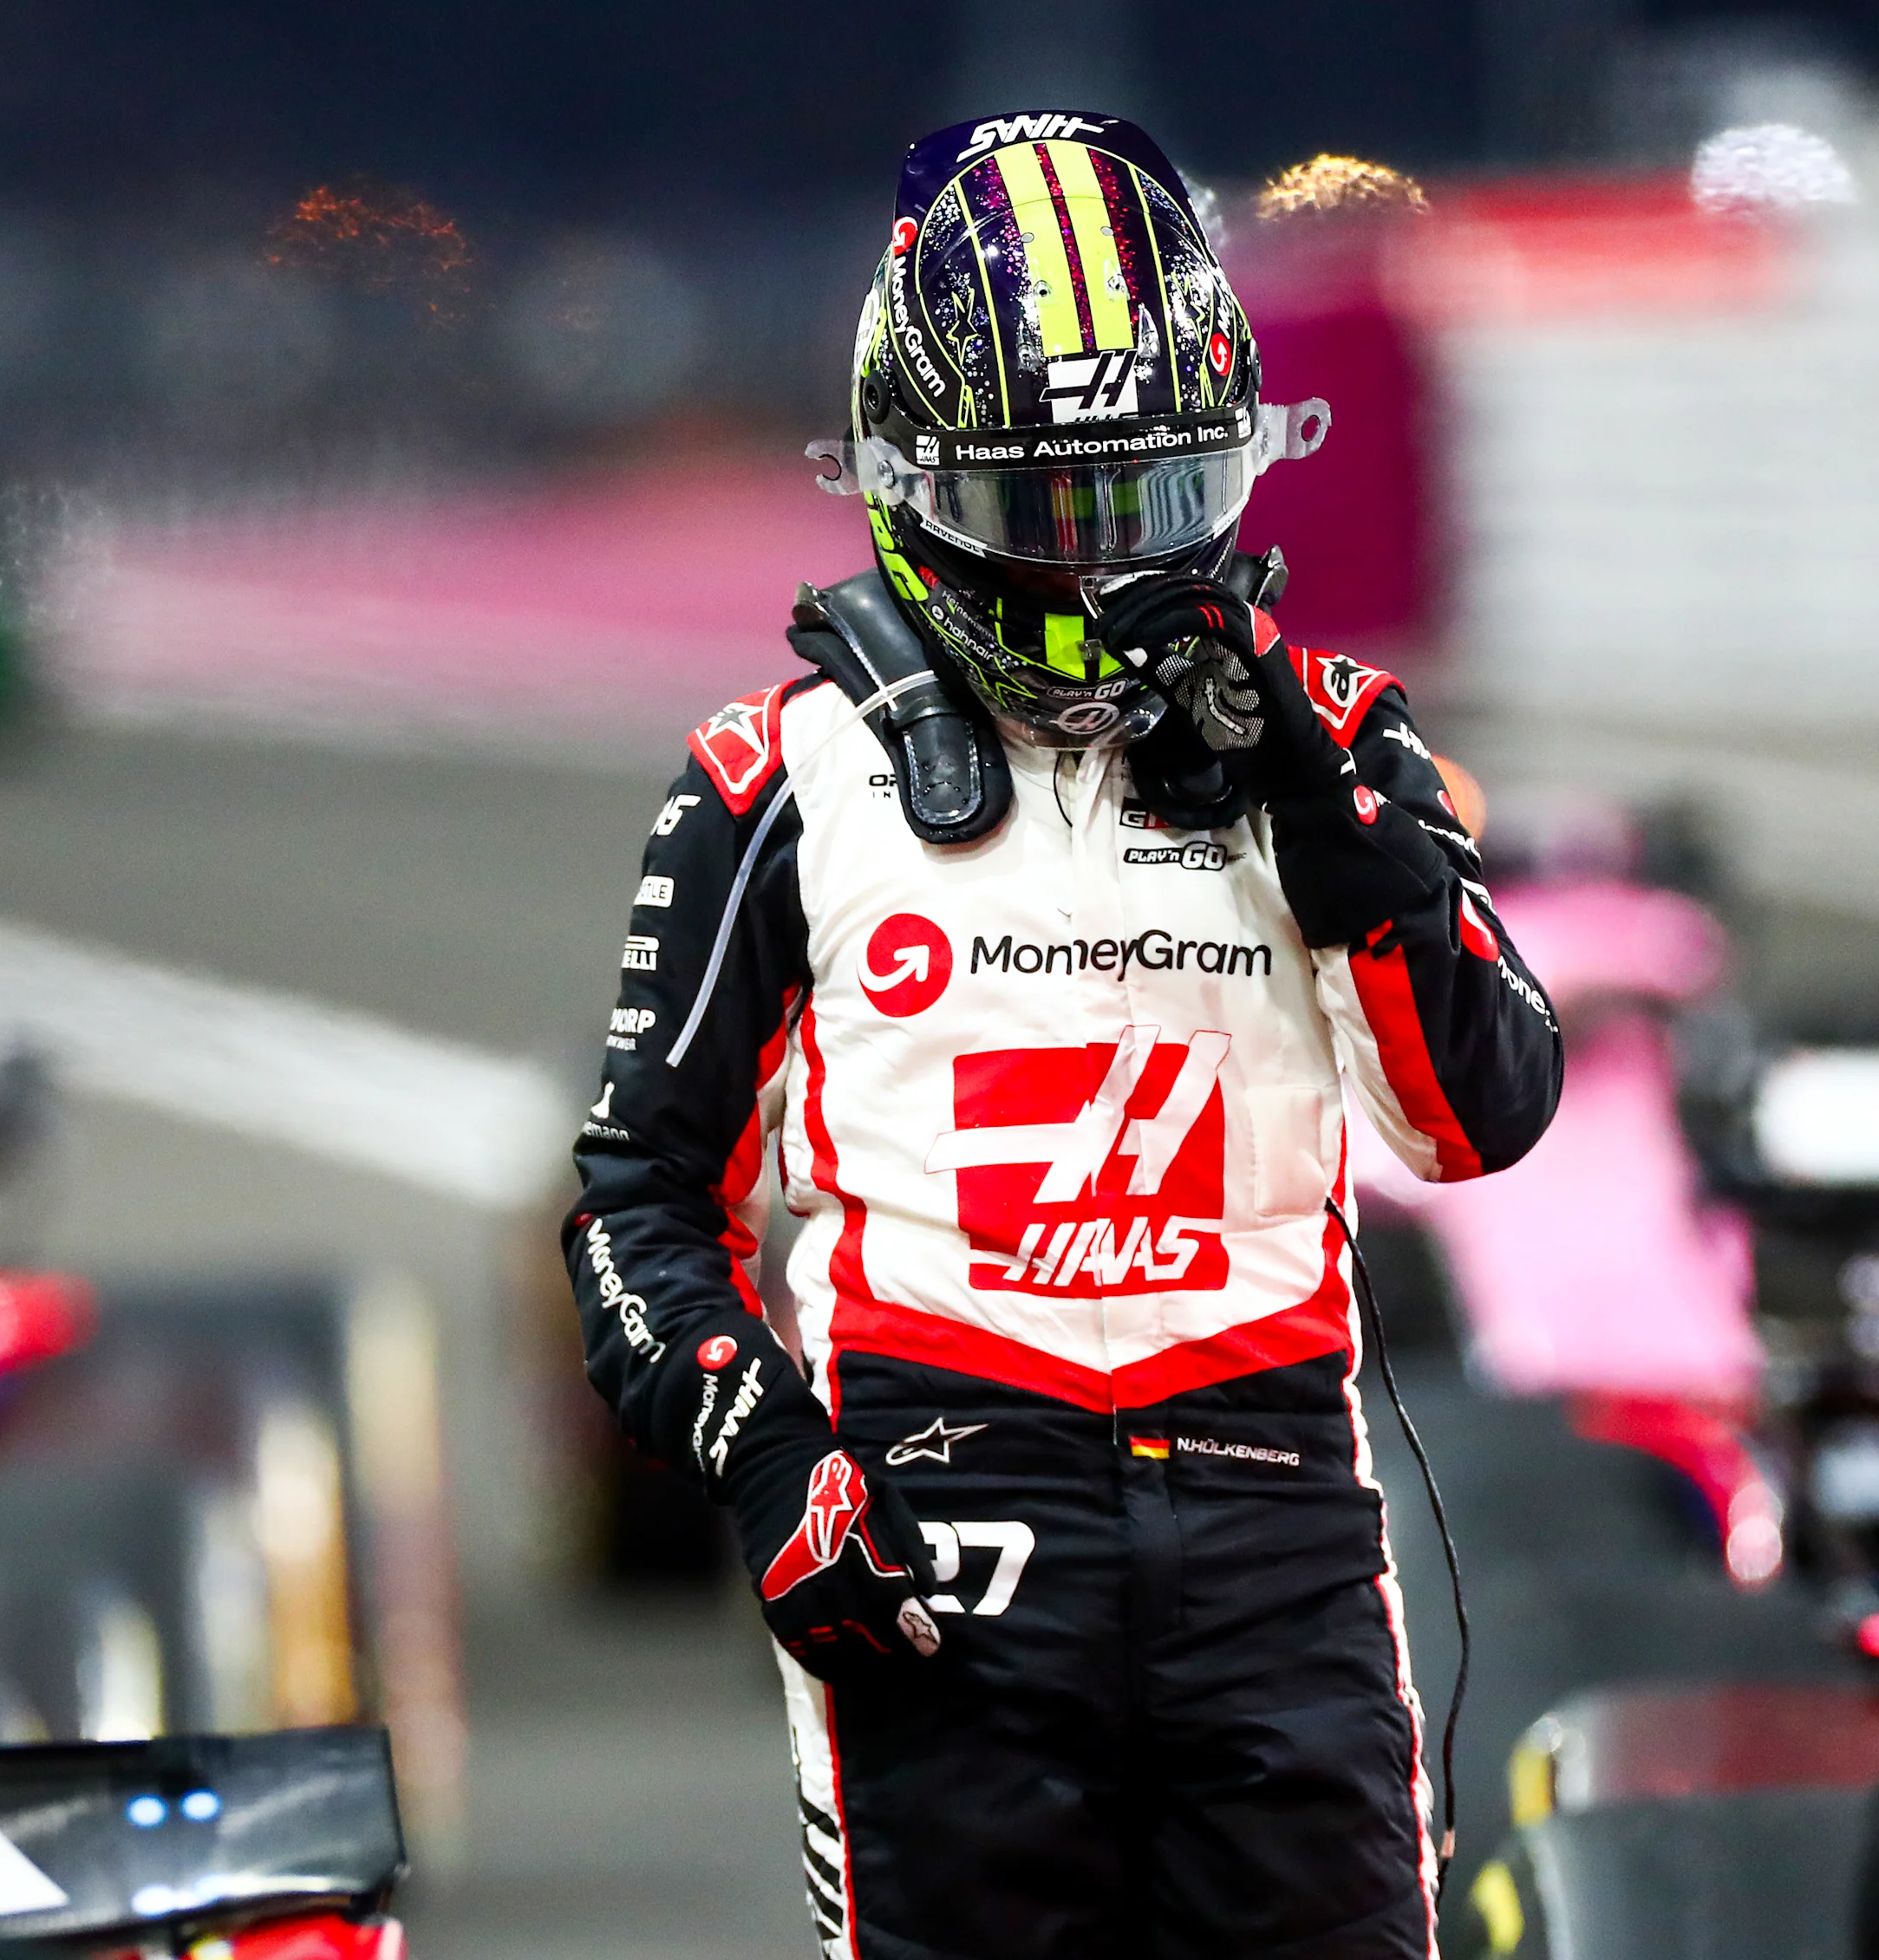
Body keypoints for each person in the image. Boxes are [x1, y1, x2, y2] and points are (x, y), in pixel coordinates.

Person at [564, 111, 1561, 1960]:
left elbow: (1481, 1114)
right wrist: (773, 1466)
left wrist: (1319, 806)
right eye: (1054, 513)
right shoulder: (775, 779)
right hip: (942, 1521)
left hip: (1275, 1518)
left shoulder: (1340, 733)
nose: (1108, 569)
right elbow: (636, 1204)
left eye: (1152, 501)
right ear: (908, 476)